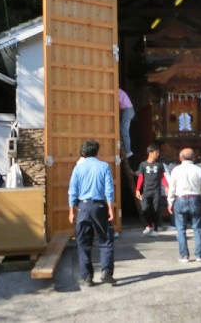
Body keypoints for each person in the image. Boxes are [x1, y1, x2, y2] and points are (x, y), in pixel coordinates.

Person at [68, 139, 117, 287]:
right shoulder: (104, 166)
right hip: (99, 207)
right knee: (106, 239)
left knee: (83, 242)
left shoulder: (78, 168)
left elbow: (72, 191)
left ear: (83, 153)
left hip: (82, 207)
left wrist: (71, 211)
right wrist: (110, 208)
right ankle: (106, 272)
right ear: (97, 151)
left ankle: (87, 277)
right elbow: (109, 189)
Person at [167, 148, 201, 263]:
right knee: (198, 228)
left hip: (180, 199)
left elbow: (172, 188)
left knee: (181, 229)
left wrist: (170, 202)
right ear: (194, 158)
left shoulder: (176, 170)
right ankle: (199, 255)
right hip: (195, 199)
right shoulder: (199, 170)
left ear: (180, 158)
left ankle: (184, 255)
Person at [136, 144, 168, 237]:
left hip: (156, 191)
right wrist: (137, 189)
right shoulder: (143, 164)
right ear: (150, 153)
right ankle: (149, 225)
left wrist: (167, 186)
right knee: (144, 209)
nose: (158, 154)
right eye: (156, 152)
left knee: (156, 210)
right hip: (146, 191)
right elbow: (141, 178)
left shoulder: (159, 164)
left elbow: (163, 177)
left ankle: (156, 229)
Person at [119, 88, 135, 158]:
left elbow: (118, 104)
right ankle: (127, 150)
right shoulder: (119, 91)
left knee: (124, 131)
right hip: (128, 110)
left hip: (127, 110)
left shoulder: (117, 91)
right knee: (123, 129)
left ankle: (128, 151)